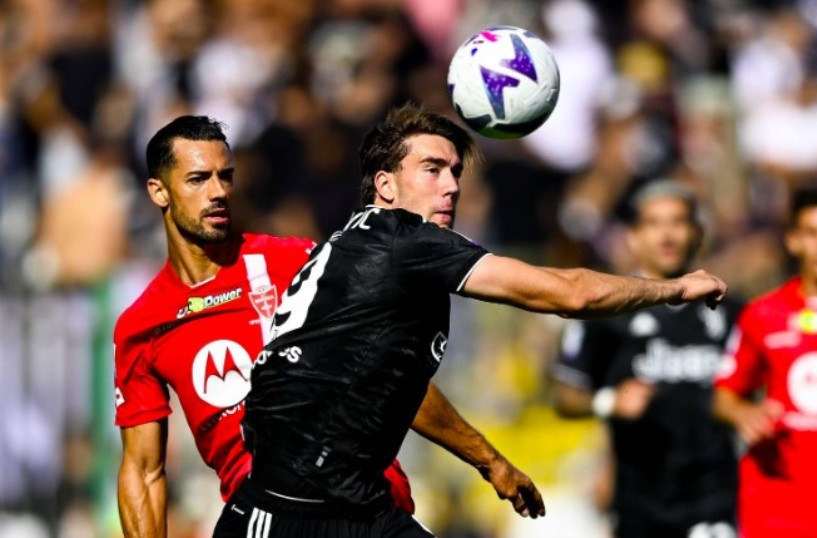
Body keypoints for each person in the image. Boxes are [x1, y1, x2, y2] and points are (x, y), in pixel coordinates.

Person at [214, 104, 728, 537]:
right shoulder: (403, 242)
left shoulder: (366, 249)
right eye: (432, 169)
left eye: (456, 172)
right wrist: (675, 288)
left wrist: (491, 461)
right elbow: (570, 293)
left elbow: (401, 387)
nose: (452, 186)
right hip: (290, 512)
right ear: (385, 185)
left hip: (357, 503)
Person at [114, 116, 543, 538]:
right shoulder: (142, 325)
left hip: (366, 504)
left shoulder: (301, 265)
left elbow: (393, 379)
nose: (218, 192)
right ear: (158, 191)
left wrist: (488, 460)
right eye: (198, 179)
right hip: (269, 517)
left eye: (225, 177)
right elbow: (143, 471)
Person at [551, 180, 740, 538]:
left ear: (698, 233)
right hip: (638, 502)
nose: (666, 235)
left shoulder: (731, 312)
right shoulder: (606, 314)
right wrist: (609, 401)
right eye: (654, 224)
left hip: (714, 498)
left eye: (677, 222)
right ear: (634, 237)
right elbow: (564, 396)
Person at [713, 188, 817, 537]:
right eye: (812, 233)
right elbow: (724, 395)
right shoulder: (763, 314)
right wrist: (744, 414)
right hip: (776, 508)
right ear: (793, 241)